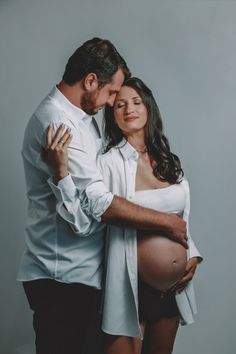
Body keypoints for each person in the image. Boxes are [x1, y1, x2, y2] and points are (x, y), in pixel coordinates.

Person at [18, 38, 188, 354]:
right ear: (91, 80)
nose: (113, 103)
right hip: (62, 277)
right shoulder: (58, 122)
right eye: (112, 93)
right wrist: (167, 224)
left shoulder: (84, 121)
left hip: (86, 276)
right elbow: (92, 212)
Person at [45, 77, 203, 354]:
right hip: (130, 288)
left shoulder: (168, 160)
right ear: (113, 116)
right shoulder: (106, 163)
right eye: (119, 104)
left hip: (171, 291)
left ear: (148, 108)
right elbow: (84, 221)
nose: (129, 108)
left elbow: (182, 219)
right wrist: (62, 175)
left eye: (136, 102)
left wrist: (192, 254)